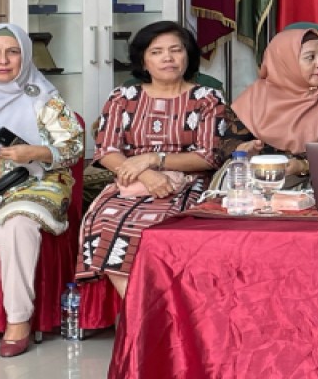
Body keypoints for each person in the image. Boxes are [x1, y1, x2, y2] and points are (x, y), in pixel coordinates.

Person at [0, 24, 83, 359]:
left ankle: (18, 320)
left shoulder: (44, 98)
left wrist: (36, 152)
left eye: (13, 52)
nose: (3, 60)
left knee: (16, 225)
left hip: (37, 179)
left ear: (25, 55)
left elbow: (75, 148)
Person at [78, 21, 226, 297]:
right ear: (144, 61)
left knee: (157, 229)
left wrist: (153, 159)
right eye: (156, 52)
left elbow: (207, 156)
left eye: (175, 50)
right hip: (130, 182)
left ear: (188, 55)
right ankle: (138, 313)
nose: (168, 58)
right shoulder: (123, 97)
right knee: (104, 222)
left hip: (187, 184)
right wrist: (145, 173)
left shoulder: (207, 99)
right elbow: (106, 151)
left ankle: (146, 317)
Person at [222, 29, 318, 189]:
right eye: (310, 57)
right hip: (259, 181)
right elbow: (225, 145)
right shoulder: (256, 96)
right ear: (285, 61)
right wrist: (243, 150)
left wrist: (304, 166)